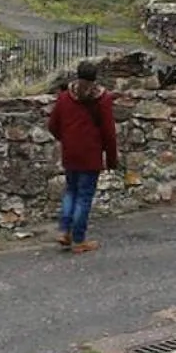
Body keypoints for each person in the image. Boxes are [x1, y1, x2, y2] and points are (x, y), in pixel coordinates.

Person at [47, 60, 118, 254]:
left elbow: (53, 125)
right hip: (91, 154)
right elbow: (108, 132)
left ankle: (64, 230)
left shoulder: (64, 97)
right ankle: (79, 239)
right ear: (95, 78)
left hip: (70, 152)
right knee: (84, 197)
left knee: (70, 191)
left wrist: (67, 139)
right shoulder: (102, 99)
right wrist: (111, 158)